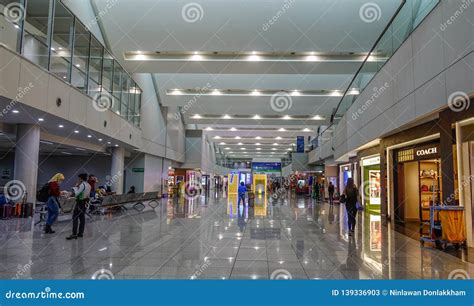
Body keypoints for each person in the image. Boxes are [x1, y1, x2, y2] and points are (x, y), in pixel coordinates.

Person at [66, 173, 91, 240]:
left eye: (79, 178)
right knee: (82, 218)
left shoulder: (82, 185)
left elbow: (76, 193)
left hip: (80, 203)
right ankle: (80, 233)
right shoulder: (88, 185)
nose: (78, 179)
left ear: (81, 178)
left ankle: (74, 234)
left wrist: (75, 187)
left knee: (75, 217)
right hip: (85, 202)